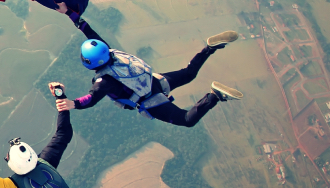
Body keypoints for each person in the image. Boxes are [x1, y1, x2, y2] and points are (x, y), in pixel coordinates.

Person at [58, 28, 243, 127]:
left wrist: (73, 104)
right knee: (188, 73)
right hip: (154, 81)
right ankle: (209, 49)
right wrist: (76, 18)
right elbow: (93, 35)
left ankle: (214, 96)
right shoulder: (109, 52)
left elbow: (90, 99)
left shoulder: (103, 82)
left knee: (187, 119)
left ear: (89, 63)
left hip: (150, 100)